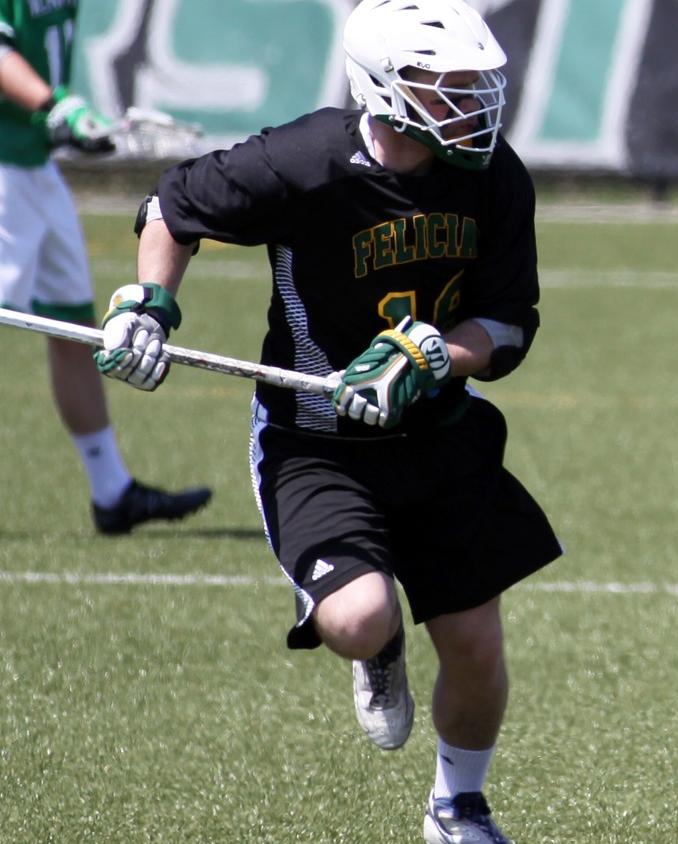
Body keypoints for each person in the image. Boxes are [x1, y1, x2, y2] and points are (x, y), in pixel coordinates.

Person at [96, 1, 559, 840]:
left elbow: (509, 322)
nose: (473, 103)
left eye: (476, 84)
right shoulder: (305, 161)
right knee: (359, 619)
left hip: (440, 435)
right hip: (319, 444)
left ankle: (458, 806)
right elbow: (173, 207)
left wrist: (429, 359)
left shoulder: (492, 174)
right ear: (387, 89)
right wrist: (147, 306)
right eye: (448, 86)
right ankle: (377, 645)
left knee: (477, 643)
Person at [0, 0, 210, 534]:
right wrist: (58, 106)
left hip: (33, 164)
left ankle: (111, 491)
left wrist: (58, 115)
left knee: (74, 329)